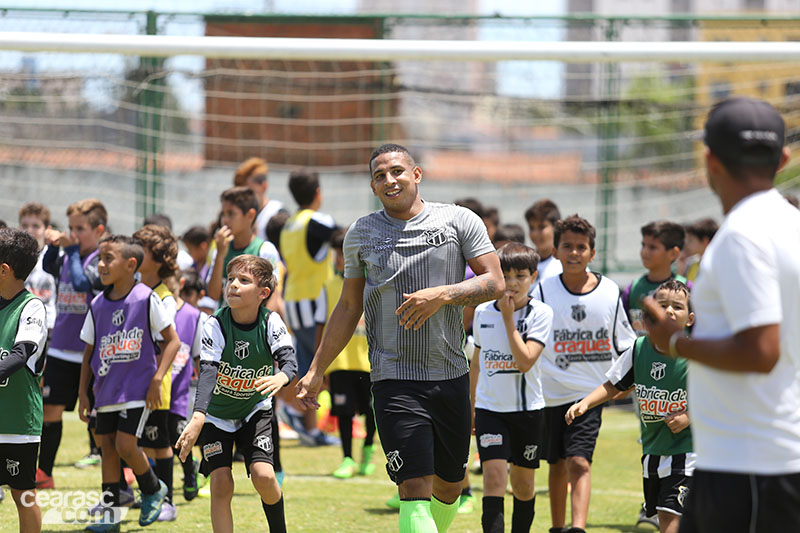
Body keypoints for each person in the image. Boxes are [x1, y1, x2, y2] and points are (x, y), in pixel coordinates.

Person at [296, 143, 504, 533]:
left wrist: (443, 294)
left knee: (449, 488)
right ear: (373, 186)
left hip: (450, 375)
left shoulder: (458, 221)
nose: (389, 180)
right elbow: (347, 307)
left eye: (396, 171)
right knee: (413, 487)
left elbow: (495, 281)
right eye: (379, 175)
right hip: (393, 378)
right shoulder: (361, 234)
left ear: (416, 174)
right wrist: (316, 368)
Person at [644, 97, 800, 532]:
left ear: (710, 159)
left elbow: (761, 351)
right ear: (782, 158)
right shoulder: (792, 225)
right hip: (769, 459)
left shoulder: (742, 236)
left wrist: (674, 341)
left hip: (747, 467)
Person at [175, 255, 297, 533]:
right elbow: (207, 372)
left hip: (255, 409)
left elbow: (289, 362)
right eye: (230, 279)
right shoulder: (214, 324)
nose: (233, 285)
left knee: (264, 476)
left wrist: (281, 376)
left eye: (244, 280)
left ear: (263, 293)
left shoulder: (271, 322)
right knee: (220, 482)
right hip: (216, 416)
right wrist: (197, 418)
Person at [532, 214, 636, 533]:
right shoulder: (542, 291)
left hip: (589, 394)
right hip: (550, 392)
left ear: (592, 253)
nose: (574, 253)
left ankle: (577, 529)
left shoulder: (609, 291)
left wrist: (621, 383)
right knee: (556, 463)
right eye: (567, 246)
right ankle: (558, 527)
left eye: (581, 247)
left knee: (579, 460)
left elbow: (627, 342)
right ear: (556, 250)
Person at [567, 279, 695, 533]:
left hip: (689, 452)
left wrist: (690, 416)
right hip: (653, 451)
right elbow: (614, 384)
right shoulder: (638, 349)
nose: (669, 311)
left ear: (689, 319)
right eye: (662, 305)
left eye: (677, 307)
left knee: (672, 519)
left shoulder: (694, 352)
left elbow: (718, 396)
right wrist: (585, 403)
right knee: (663, 516)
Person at [77, 235, 178, 532]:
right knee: (106, 447)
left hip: (137, 390)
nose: (102, 264)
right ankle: (111, 517)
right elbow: (88, 353)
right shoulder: (97, 305)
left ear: (131, 264)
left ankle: (152, 488)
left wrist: (158, 378)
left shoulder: (147, 298)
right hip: (105, 391)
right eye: (100, 258)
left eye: (109, 258)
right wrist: (83, 393)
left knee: (124, 444)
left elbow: (173, 342)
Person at [470, 242, 553, 533]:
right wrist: (472, 407)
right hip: (490, 411)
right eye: (506, 275)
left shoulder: (540, 314)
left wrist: (508, 319)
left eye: (521, 275)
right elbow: (478, 362)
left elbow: (526, 360)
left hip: (528, 413)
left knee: (523, 484)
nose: (513, 283)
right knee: (493, 479)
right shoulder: (481, 312)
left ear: (533, 277)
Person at [39, 198, 107, 486]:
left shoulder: (101, 261)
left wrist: (69, 249)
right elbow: (48, 266)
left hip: (87, 353)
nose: (74, 233)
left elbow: (82, 283)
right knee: (50, 411)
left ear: (99, 230)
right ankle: (45, 473)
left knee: (95, 417)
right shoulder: (69, 255)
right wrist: (55, 247)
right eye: (70, 228)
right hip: (59, 348)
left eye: (80, 228)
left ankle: (121, 471)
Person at [280, 168, 339, 446]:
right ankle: (293, 411)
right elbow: (342, 236)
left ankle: (310, 428)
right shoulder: (319, 220)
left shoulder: (289, 224)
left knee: (307, 364)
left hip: (293, 300)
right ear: (318, 193)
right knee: (322, 364)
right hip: (316, 301)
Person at [314, 228, 376, 479]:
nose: (339, 258)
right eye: (336, 254)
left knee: (371, 411)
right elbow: (321, 326)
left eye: (343, 253)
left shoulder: (371, 282)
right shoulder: (327, 286)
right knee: (344, 412)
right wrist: (320, 364)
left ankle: (368, 452)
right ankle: (347, 458)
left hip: (369, 362)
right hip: (339, 362)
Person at [0, 228, 49, 533]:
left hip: (18, 423)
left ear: (3, 270)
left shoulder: (31, 307)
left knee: (23, 494)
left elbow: (21, 354)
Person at [132, 224, 180, 521]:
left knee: (160, 445)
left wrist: (158, 378)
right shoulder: (135, 291)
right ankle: (149, 494)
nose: (135, 252)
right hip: (134, 383)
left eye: (142, 248)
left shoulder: (163, 297)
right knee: (143, 444)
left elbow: (167, 343)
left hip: (155, 384)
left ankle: (168, 502)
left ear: (159, 258)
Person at [206, 187, 282, 317]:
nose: (224, 220)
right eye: (223, 214)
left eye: (231, 214)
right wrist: (219, 256)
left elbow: (273, 295)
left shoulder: (264, 249)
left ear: (250, 215)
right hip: (226, 327)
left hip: (253, 329)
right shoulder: (220, 249)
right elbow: (213, 294)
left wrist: (262, 328)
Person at [166, 274, 207, 501]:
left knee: (178, 436)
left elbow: (201, 360)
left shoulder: (194, 317)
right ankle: (160, 490)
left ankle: (189, 472)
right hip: (153, 390)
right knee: (155, 442)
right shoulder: (151, 307)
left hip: (181, 393)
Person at [622, 221, 687, 337]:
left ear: (673, 253)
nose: (644, 251)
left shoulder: (687, 288)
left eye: (652, 247)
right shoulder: (633, 288)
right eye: (643, 245)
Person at [18, 203, 56, 334]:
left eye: (36, 226)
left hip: (47, 325)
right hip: (19, 322)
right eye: (24, 225)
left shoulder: (55, 258)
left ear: (47, 229)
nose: (29, 230)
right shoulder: (12, 258)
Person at [233, 157, 287, 243]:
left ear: (264, 186)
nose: (243, 198)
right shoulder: (238, 216)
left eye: (249, 192)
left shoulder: (277, 213)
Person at [524, 199, 562, 291]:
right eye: (531, 228)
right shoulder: (524, 261)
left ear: (556, 227)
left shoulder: (566, 264)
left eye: (541, 227)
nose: (535, 233)